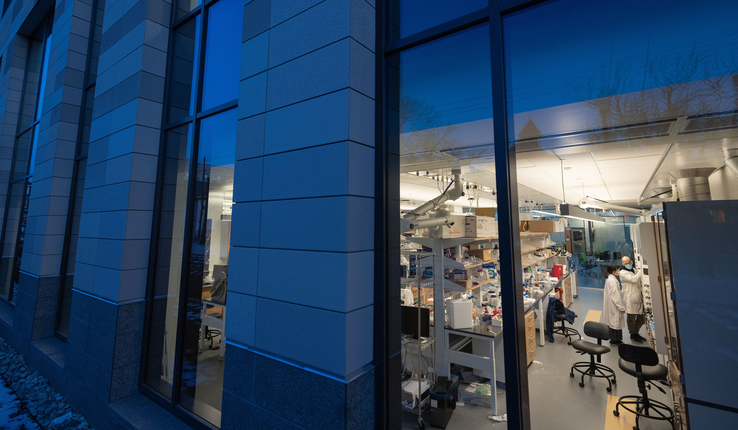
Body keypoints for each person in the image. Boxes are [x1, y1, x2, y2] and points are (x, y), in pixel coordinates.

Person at [620, 256, 646, 342]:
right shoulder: (622, 273)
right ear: (623, 264)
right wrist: (642, 269)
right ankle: (633, 333)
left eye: (629, 262)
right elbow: (634, 279)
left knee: (641, 318)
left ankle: (635, 332)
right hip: (630, 298)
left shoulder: (634, 270)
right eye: (625, 263)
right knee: (631, 317)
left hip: (638, 297)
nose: (628, 264)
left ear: (631, 262)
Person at [603, 264, 625, 345]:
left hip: (611, 304)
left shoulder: (610, 278)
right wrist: (621, 308)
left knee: (613, 322)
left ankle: (615, 339)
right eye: (617, 270)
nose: (618, 271)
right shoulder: (612, 281)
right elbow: (615, 296)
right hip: (614, 305)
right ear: (613, 272)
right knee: (615, 322)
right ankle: (615, 340)